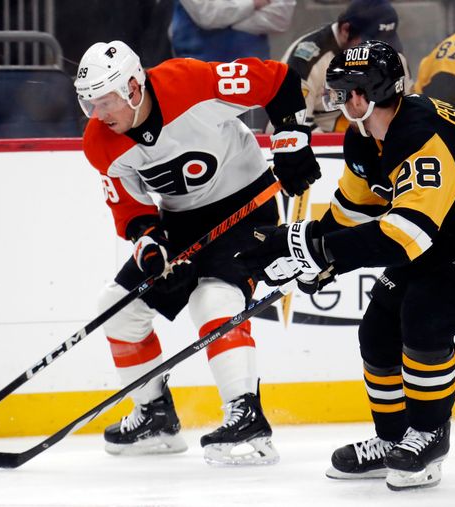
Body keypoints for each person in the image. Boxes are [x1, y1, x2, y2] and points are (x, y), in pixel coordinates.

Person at [238, 40, 455, 489]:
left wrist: (320, 252)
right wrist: (303, 249)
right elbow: (353, 214)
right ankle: (393, 438)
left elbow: (407, 239)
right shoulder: (364, 138)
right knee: (378, 327)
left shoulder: (421, 136)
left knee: (427, 313)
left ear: (361, 97)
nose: (336, 102)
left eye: (340, 92)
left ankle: (428, 437)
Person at [74, 40, 320, 465]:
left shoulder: (190, 82)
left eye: (106, 100)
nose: (99, 114)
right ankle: (155, 417)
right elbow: (131, 207)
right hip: (181, 223)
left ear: (134, 87)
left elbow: (277, 82)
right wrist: (150, 240)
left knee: (214, 298)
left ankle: (247, 416)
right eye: (90, 103)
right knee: (117, 307)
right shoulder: (99, 142)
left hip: (247, 202)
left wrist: (291, 141)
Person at [280, 0, 411, 132]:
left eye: (386, 42)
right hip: (322, 143)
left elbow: (407, 111)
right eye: (369, 44)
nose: (377, 53)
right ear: (345, 30)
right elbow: (290, 125)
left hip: (379, 139)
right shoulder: (305, 61)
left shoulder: (392, 56)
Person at [171, 0, 296, 61]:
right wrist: (253, 4)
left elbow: (280, 18)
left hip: (252, 72)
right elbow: (207, 15)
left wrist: (225, 16)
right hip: (198, 72)